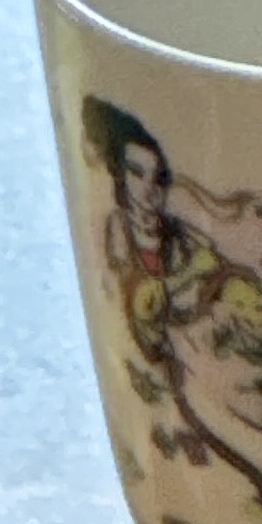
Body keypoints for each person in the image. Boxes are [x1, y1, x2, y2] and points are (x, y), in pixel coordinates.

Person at [81, 98, 222, 361]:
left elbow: (211, 254)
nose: (147, 189)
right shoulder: (119, 226)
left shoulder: (172, 228)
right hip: (140, 348)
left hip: (180, 342)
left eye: (155, 178)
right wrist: (191, 272)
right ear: (120, 175)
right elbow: (140, 300)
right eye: (136, 173)